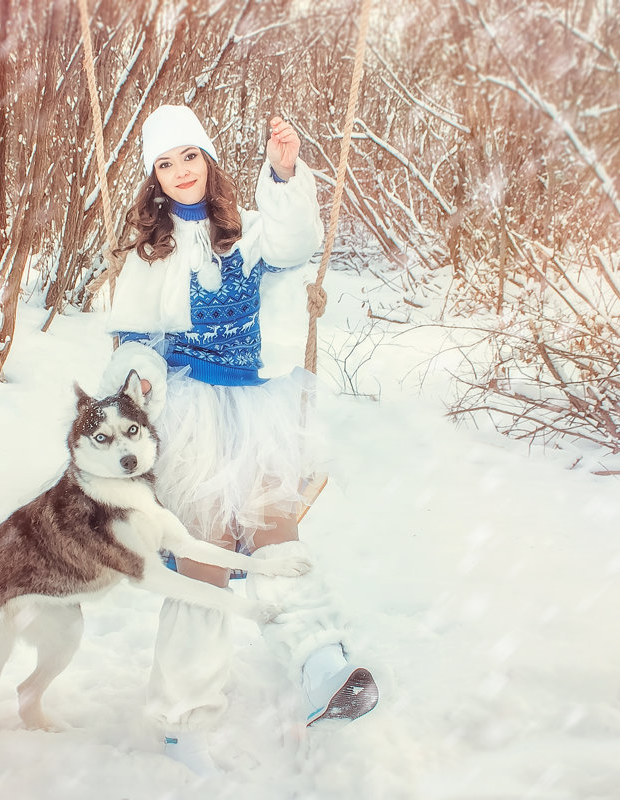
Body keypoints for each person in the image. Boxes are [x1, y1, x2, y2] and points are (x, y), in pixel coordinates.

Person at [96, 104, 378, 775]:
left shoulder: (245, 232)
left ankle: (322, 668)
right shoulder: (149, 252)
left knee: (277, 529)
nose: (180, 172)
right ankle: (182, 715)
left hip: (256, 406)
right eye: (165, 164)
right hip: (190, 410)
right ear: (153, 178)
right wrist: (135, 369)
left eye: (188, 157)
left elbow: (294, 246)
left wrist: (283, 175)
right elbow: (134, 336)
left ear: (207, 159)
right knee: (208, 557)